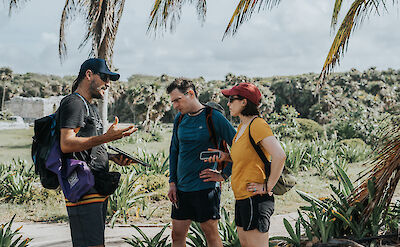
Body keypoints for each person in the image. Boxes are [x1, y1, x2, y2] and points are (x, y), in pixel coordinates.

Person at [58, 58, 137, 247]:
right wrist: (108, 138)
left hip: (95, 185)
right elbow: (67, 144)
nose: (108, 84)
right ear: (88, 75)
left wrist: (111, 157)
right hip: (83, 186)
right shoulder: (74, 103)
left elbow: (86, 147)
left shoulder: (89, 106)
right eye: (104, 78)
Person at [205, 83, 286, 247]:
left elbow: (279, 155)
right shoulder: (242, 127)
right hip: (242, 197)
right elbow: (245, 157)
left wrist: (268, 187)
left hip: (255, 199)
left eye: (231, 99)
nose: (228, 104)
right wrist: (225, 157)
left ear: (244, 102)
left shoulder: (257, 125)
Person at [167, 78, 236, 247]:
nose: (175, 105)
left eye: (177, 100)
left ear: (190, 94)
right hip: (181, 189)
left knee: (211, 235)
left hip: (205, 188)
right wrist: (172, 182)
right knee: (177, 236)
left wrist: (224, 174)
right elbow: (174, 151)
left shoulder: (214, 117)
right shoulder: (180, 119)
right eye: (172, 101)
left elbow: (242, 148)